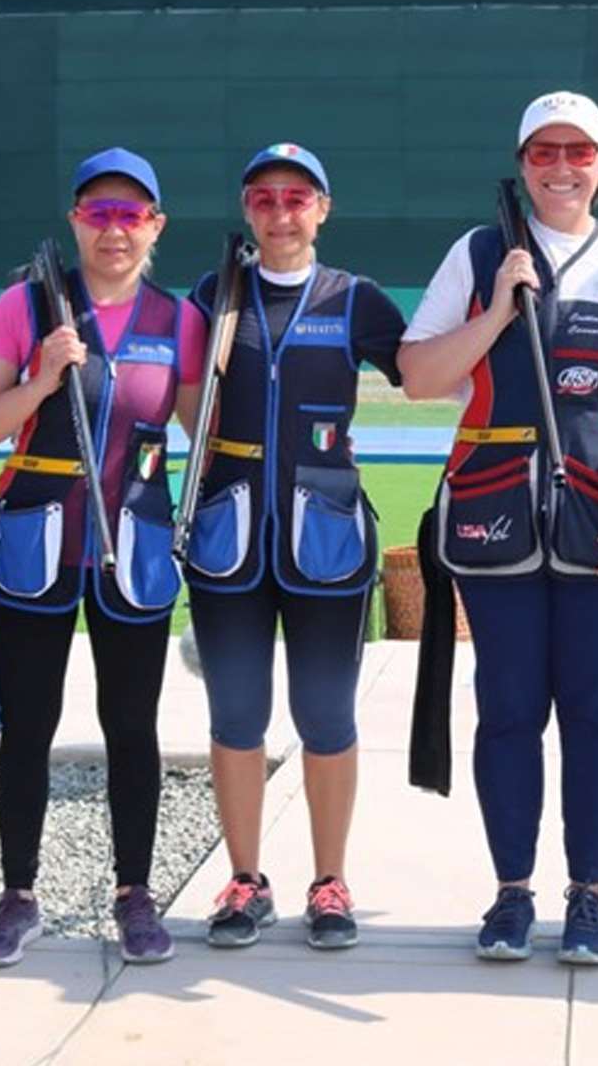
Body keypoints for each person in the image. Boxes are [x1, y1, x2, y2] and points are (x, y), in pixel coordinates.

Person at [398, 91, 598, 965]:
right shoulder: (480, 251)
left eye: (579, 151)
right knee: (507, 712)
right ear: (522, 160)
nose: (561, 166)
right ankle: (511, 894)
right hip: (496, 525)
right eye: (544, 151)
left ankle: (589, 894)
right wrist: (496, 309)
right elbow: (419, 375)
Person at [0, 148, 206, 967]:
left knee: (131, 726)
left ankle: (134, 893)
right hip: (36, 542)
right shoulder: (25, 310)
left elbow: (205, 438)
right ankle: (18, 895)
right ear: (75, 222)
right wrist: (41, 378)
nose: (114, 230)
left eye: (131, 215)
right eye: (99, 213)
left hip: (132, 543)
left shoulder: (181, 320)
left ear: (155, 226)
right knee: (29, 726)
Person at [181, 142, 407, 951]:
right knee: (236, 715)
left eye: (297, 197)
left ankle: (329, 879)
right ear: (248, 208)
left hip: (327, 540)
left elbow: (427, 370)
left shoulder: (357, 299)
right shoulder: (214, 294)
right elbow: (181, 400)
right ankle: (246, 877)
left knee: (325, 715)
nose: (281, 212)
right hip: (228, 539)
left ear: (323, 208)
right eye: (266, 198)